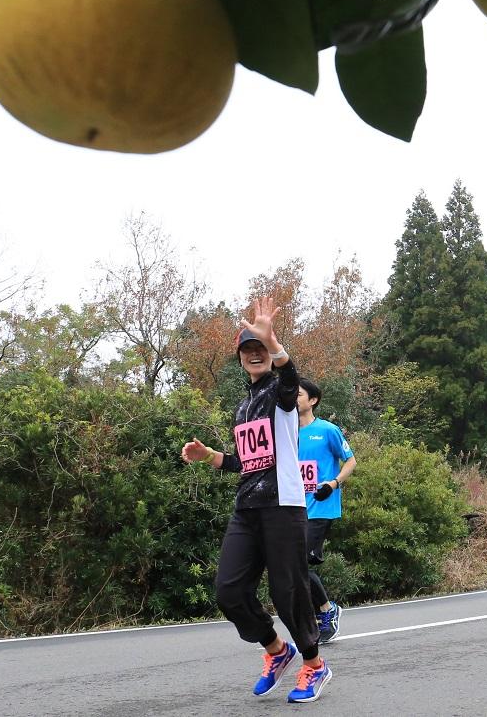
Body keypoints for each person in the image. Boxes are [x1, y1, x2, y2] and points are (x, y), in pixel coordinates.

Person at [180, 297, 330, 703]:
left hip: (284, 506)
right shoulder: (243, 406)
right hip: (247, 508)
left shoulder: (282, 395)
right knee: (228, 591)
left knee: (288, 592)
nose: (255, 355)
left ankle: (314, 666)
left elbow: (290, 375)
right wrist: (211, 457)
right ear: (241, 360)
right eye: (248, 351)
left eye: (260, 349)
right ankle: (277, 651)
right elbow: (248, 461)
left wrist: (276, 344)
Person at [297, 378, 356, 644]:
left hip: (320, 507)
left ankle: (326, 612)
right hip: (292, 510)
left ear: (313, 400)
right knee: (291, 567)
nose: (292, 398)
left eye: (298, 394)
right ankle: (323, 610)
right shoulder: (285, 432)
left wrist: (333, 483)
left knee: (299, 564)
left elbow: (351, 461)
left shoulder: (327, 430)